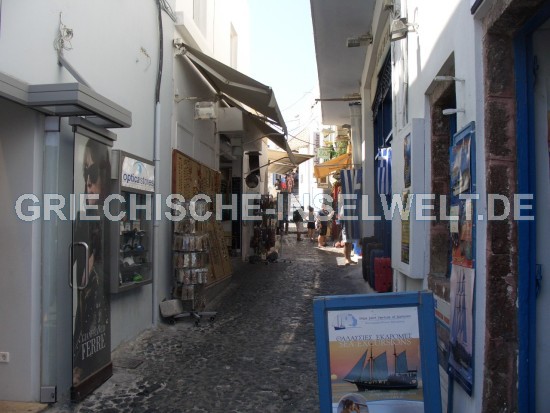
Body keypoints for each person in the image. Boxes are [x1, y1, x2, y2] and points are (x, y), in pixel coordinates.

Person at [72, 138, 112, 387]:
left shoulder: (107, 215)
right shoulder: (83, 216)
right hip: (85, 306)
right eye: (85, 172)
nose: (88, 182)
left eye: (92, 171)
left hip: (97, 301)